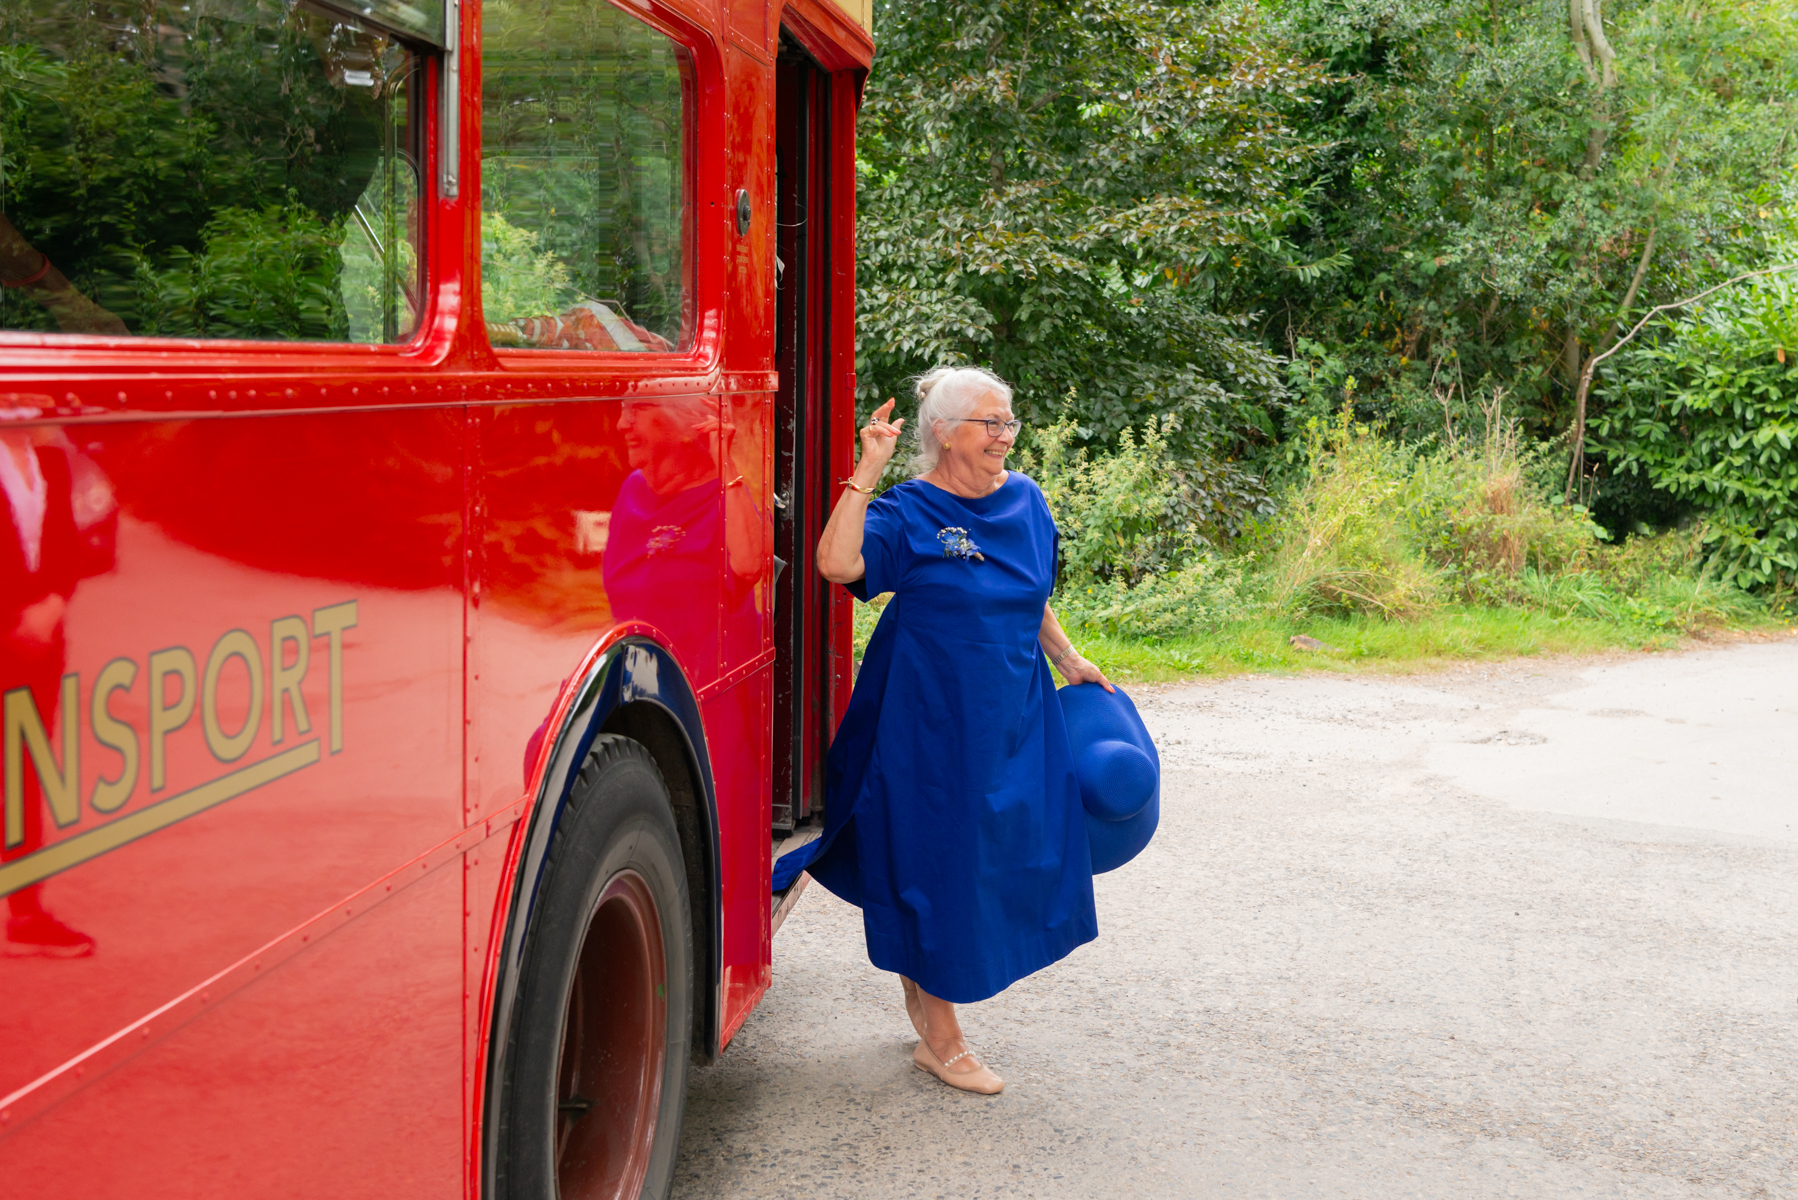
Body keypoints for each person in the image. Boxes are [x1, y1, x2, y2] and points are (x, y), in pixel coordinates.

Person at [772, 366, 1113, 1094]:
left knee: (1003, 851)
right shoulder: (911, 508)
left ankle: (928, 994)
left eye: (1009, 422)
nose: (1004, 435)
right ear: (943, 434)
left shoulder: (1025, 499)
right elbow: (837, 564)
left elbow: (1029, 593)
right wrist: (868, 467)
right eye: (990, 423)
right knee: (936, 860)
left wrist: (1069, 656)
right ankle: (942, 1034)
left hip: (1011, 710)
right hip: (924, 717)